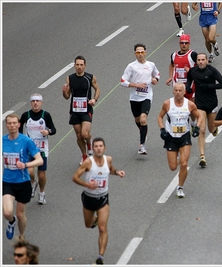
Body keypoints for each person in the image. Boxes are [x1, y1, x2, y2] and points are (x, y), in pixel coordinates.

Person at [72, 137, 126, 265]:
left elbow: (111, 169)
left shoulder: (108, 159)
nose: (98, 148)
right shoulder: (88, 162)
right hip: (88, 198)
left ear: (104, 148)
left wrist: (118, 172)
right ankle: (94, 220)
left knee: (102, 228)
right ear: (93, 149)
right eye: (96, 146)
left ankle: (100, 257)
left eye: (101, 146)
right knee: (88, 225)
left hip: (103, 198)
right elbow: (74, 177)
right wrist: (87, 184)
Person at [158, 83, 203, 198]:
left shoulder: (190, 105)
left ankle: (180, 187)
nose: (178, 92)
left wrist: (197, 127)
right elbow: (159, 117)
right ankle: (177, 157)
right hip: (171, 137)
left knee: (184, 164)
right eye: (176, 90)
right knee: (173, 167)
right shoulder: (167, 104)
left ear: (184, 92)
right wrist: (162, 129)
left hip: (184, 136)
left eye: (180, 90)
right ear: (173, 92)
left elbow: (200, 116)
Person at [3, 114, 43, 240]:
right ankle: (11, 221)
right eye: (9, 123)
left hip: (23, 182)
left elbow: (39, 160)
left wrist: (25, 164)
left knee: (20, 214)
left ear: (19, 125)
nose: (12, 126)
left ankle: (21, 236)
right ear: (6, 125)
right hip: (7, 182)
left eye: (14, 123)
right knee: (7, 212)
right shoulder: (2, 141)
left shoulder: (26, 141)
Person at [186, 53, 222, 167]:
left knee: (211, 127)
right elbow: (189, 79)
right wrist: (188, 87)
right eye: (199, 60)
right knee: (202, 130)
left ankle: (214, 129)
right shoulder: (193, 71)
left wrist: (208, 86)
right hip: (200, 104)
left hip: (212, 103)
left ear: (207, 60)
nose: (201, 62)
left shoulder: (212, 71)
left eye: (203, 60)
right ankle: (202, 156)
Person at [120, 43, 160, 155]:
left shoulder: (151, 64)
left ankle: (142, 146)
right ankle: (143, 131)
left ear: (145, 53)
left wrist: (155, 80)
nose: (140, 54)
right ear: (135, 54)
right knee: (138, 120)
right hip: (134, 97)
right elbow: (123, 82)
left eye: (142, 52)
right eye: (138, 52)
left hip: (147, 96)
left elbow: (157, 74)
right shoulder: (131, 66)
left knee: (143, 119)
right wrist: (136, 85)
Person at [62, 55, 100, 165]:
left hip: (86, 108)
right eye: (77, 65)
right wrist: (64, 91)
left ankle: (89, 141)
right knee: (78, 136)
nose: (79, 67)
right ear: (74, 66)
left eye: (81, 65)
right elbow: (67, 96)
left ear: (85, 66)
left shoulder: (90, 77)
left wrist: (94, 99)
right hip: (74, 110)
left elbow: (97, 89)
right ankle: (84, 156)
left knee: (84, 134)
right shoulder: (70, 78)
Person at [19, 93, 57, 205]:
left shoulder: (46, 115)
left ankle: (41, 193)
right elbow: (19, 129)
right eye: (33, 101)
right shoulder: (26, 115)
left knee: (41, 174)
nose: (35, 103)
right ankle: (32, 182)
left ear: (41, 103)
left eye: (38, 101)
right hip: (29, 149)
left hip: (42, 149)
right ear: (31, 103)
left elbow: (54, 129)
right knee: (30, 171)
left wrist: (48, 131)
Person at [165, 34, 198, 127]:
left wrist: (191, 71)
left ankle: (193, 122)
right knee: (179, 105)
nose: (184, 45)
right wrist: (170, 76)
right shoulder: (174, 55)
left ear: (189, 44)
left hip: (190, 85)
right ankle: (181, 124)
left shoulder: (193, 54)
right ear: (179, 44)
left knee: (191, 106)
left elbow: (200, 66)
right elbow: (171, 65)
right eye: (182, 43)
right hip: (178, 86)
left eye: (186, 43)